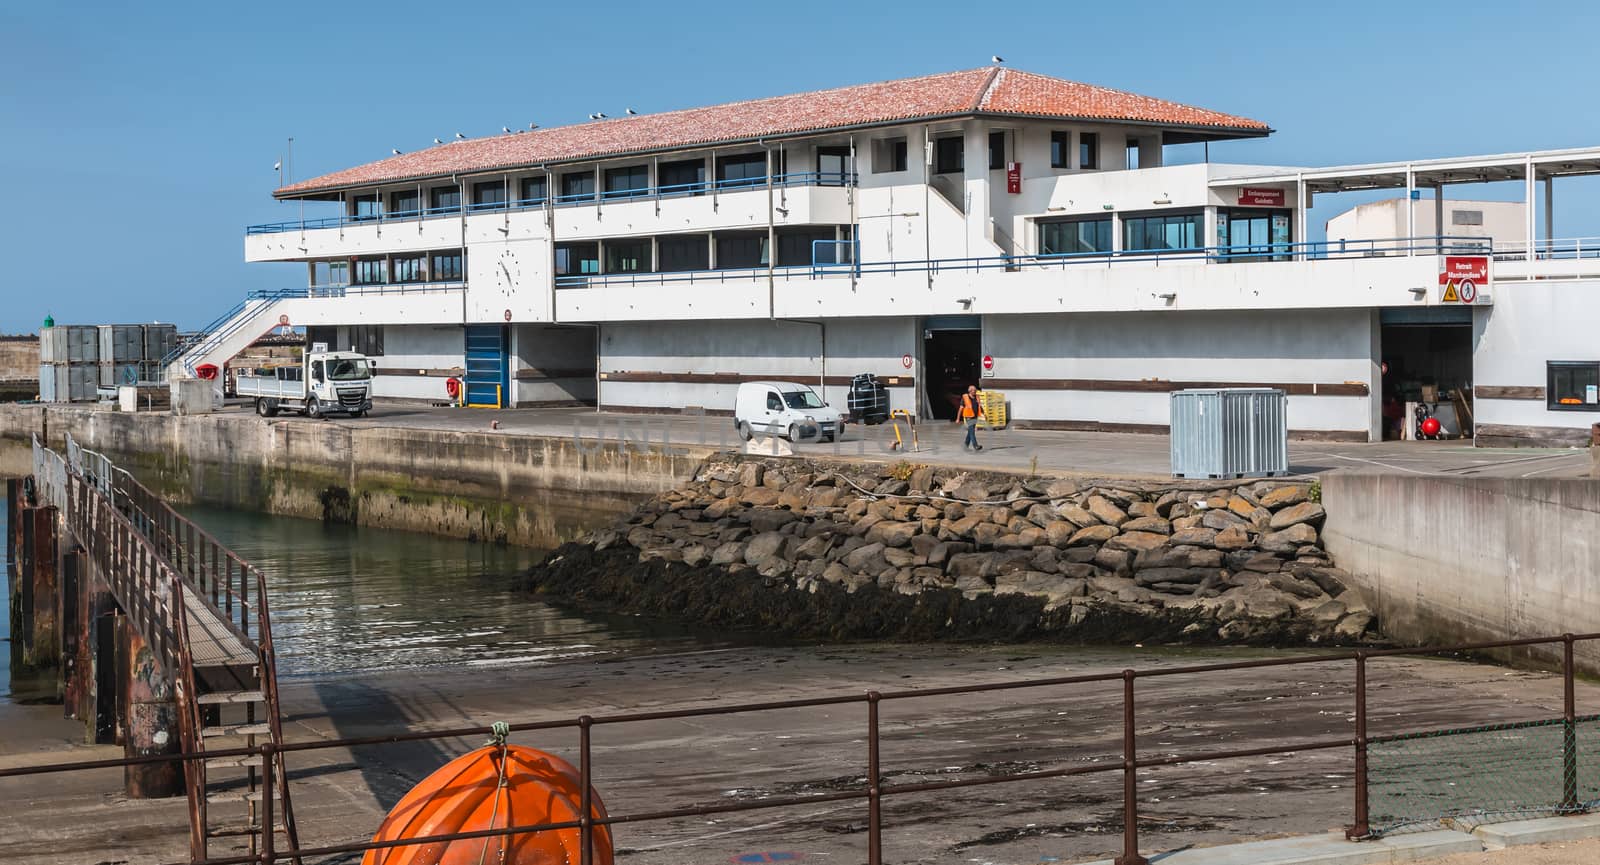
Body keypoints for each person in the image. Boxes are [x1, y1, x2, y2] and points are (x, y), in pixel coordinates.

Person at [955, 384, 983, 451]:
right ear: (970, 391)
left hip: (975, 416)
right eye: (974, 390)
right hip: (968, 417)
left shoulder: (977, 397)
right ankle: (975, 445)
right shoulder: (965, 397)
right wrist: (958, 418)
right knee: (972, 431)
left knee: (970, 432)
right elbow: (960, 409)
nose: (975, 391)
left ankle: (965, 445)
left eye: (975, 390)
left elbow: (980, 406)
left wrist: (984, 413)